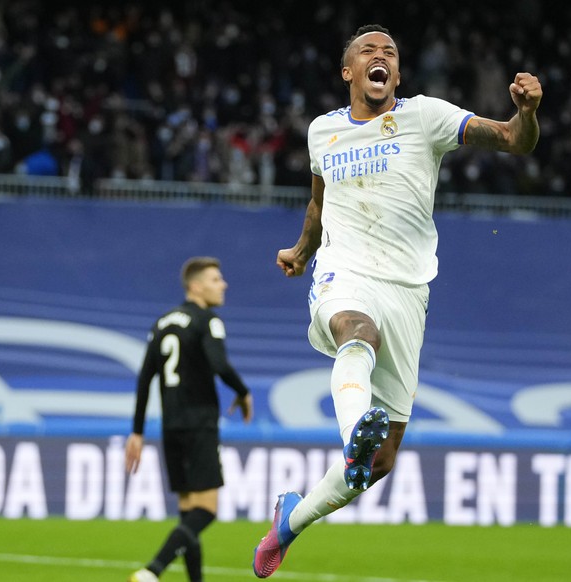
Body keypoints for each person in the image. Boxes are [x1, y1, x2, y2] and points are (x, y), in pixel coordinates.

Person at [252, 24, 541, 578]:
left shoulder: (424, 117)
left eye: (389, 53)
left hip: (408, 288)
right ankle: (354, 426)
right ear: (349, 72)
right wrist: (302, 250)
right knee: (355, 331)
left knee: (378, 464)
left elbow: (512, 140)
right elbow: (319, 203)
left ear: (398, 74)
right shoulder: (322, 132)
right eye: (368, 51)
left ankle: (290, 521)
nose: (380, 57)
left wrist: (526, 112)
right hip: (345, 271)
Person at [126, 256, 253, 582]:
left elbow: (145, 377)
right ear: (195, 287)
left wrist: (137, 432)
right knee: (206, 511)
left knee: (187, 512)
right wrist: (243, 391)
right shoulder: (208, 320)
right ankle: (152, 571)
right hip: (200, 423)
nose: (223, 284)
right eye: (215, 279)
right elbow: (220, 365)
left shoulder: (162, 323)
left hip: (171, 426)